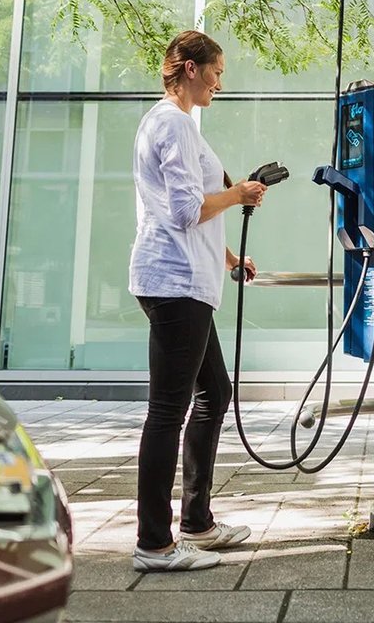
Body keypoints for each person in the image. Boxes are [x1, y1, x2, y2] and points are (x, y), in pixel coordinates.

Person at [127, 30, 267, 572]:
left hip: (185, 279)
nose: (219, 82)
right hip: (175, 283)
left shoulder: (169, 125)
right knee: (168, 410)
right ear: (189, 68)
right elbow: (187, 211)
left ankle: (197, 523)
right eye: (216, 71)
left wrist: (230, 258)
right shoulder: (175, 124)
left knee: (214, 391)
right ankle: (154, 544)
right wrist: (242, 192)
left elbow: (177, 208)